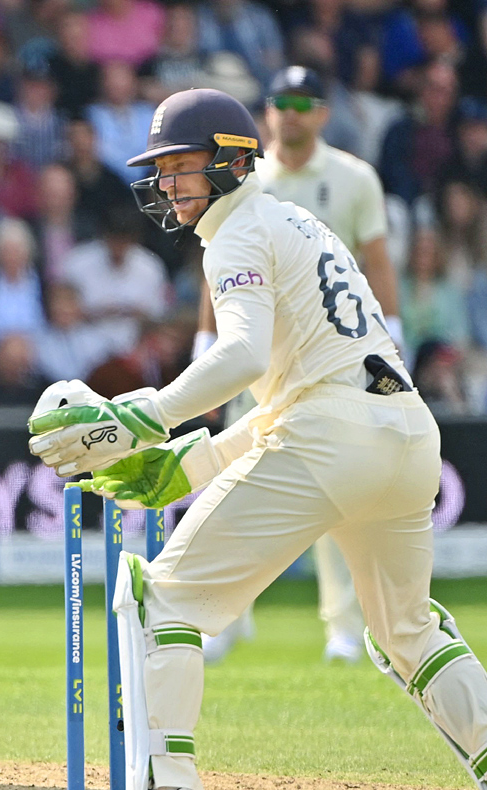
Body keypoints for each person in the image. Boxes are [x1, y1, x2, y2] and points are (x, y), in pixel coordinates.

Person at [28, 88, 487, 790]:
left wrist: (142, 416)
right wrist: (195, 460)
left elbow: (240, 357)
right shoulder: (297, 223)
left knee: (160, 599)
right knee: (407, 631)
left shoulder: (236, 230)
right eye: (162, 169)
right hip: (405, 434)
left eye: (181, 166)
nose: (168, 184)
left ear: (232, 162)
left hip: (333, 438)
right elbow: (312, 385)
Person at [195, 66, 405, 665]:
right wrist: (201, 343)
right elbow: (217, 262)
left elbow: (377, 262)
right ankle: (224, 619)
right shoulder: (244, 174)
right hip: (255, 355)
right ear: (267, 113)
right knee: (232, 486)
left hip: (330, 362)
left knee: (337, 492)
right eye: (278, 101)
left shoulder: (353, 177)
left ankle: (342, 627)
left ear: (320, 113)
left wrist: (398, 343)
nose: (288, 112)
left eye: (300, 102)